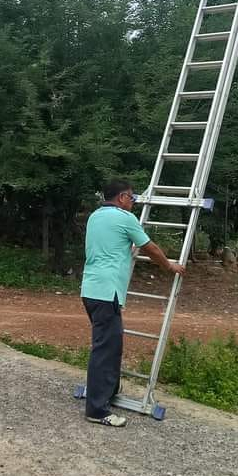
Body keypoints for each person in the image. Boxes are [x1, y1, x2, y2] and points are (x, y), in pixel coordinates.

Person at [80, 179, 186, 427]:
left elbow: (115, 245)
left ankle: (108, 391)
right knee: (105, 350)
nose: (134, 202)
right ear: (122, 198)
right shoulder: (125, 219)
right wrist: (170, 266)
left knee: (110, 344)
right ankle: (97, 410)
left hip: (91, 289)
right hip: (107, 293)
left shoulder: (96, 216)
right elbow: (151, 248)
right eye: (132, 198)